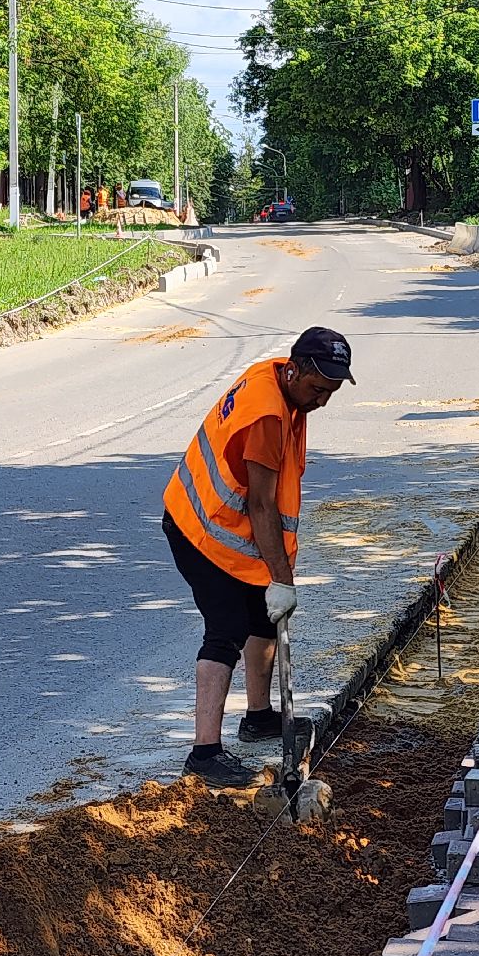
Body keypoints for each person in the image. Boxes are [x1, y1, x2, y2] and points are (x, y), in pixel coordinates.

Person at [162, 327, 356, 787]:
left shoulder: (277, 383)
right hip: (200, 529)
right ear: (294, 370)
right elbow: (262, 505)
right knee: (226, 629)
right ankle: (204, 752)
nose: (321, 401)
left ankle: (258, 718)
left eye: (330, 393)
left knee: (262, 619)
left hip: (226, 531)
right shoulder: (269, 415)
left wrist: (272, 581)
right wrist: (283, 579)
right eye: (316, 390)